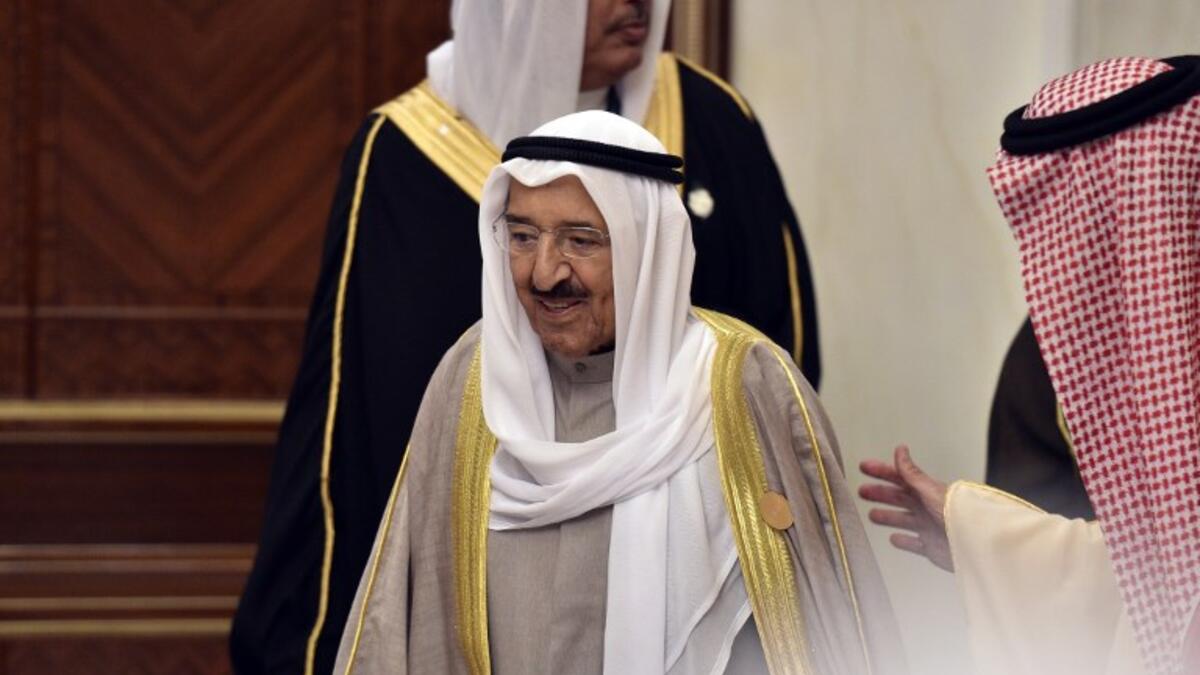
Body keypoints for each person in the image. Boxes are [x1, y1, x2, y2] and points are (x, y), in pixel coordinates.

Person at [231, 2, 822, 672]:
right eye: (521, 235)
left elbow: (778, 369)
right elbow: (350, 427)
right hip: (484, 586)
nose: (634, 4)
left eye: (582, 239)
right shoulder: (407, 153)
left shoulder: (710, 118)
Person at [333, 110, 904, 675]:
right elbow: (404, 605)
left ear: (645, 250)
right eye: (523, 237)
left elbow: (827, 616)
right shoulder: (475, 373)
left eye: (581, 241)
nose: (544, 273)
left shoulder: (741, 381)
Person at [859, 56, 1200, 675]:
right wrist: (979, 541)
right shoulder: (1081, 339)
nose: (1057, 256)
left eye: (1080, 219)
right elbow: (1166, 585)